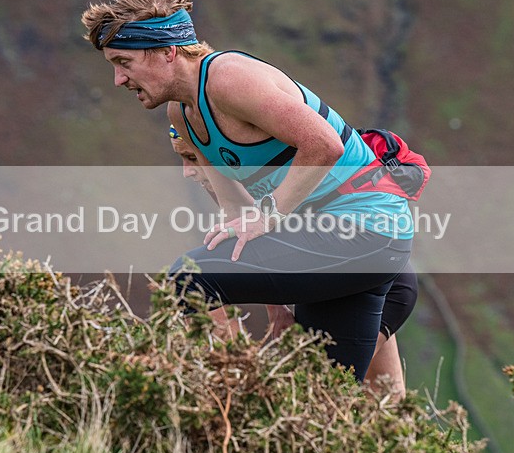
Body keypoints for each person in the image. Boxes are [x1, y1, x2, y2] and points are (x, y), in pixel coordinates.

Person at [82, 0, 414, 382]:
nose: (118, 79)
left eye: (124, 62)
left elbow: (324, 145)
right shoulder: (181, 115)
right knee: (322, 388)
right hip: (340, 240)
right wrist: (278, 302)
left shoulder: (228, 79)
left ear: (167, 51)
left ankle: (207, 390)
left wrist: (269, 214)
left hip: (367, 228)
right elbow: (238, 212)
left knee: (188, 279)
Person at [170, 125, 415, 397]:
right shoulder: (233, 171)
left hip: (379, 274)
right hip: (380, 270)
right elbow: (261, 246)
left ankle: (242, 395)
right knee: (367, 397)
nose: (187, 171)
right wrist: (277, 309)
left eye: (192, 157)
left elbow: (261, 241)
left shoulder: (247, 166)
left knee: (330, 395)